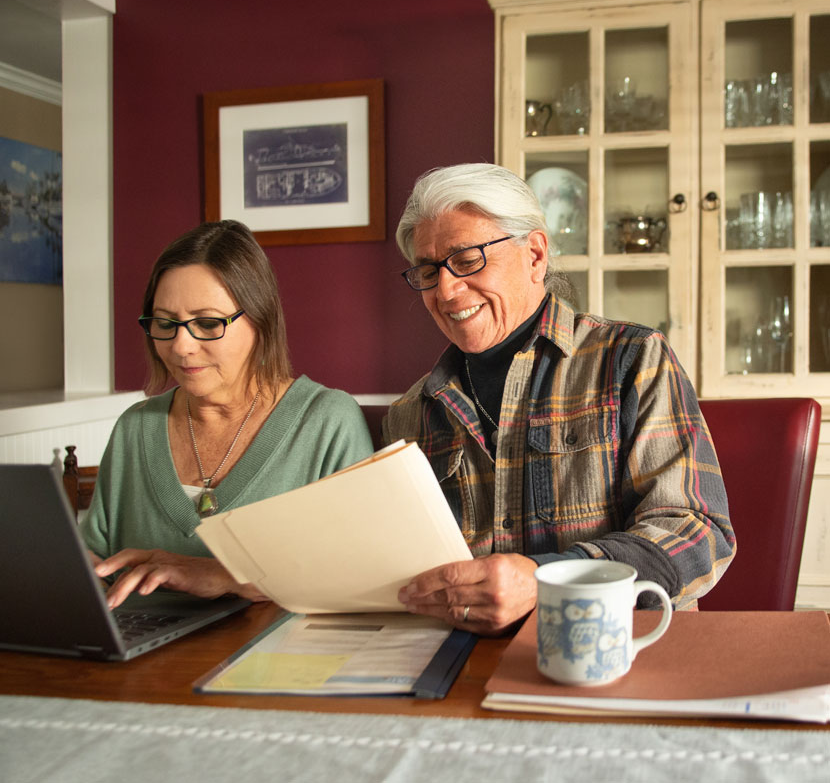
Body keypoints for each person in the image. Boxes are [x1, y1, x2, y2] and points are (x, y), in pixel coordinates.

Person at [386, 163, 736, 636]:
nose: (446, 290)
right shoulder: (411, 413)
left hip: (618, 652)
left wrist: (553, 579)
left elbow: (697, 533)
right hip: (464, 662)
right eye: (429, 270)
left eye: (466, 260)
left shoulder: (631, 359)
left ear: (534, 255)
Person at [81, 220, 374, 608]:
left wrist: (226, 576)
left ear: (260, 319)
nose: (181, 346)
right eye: (165, 324)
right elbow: (95, 563)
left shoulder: (327, 422)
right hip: (135, 665)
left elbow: (364, 575)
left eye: (206, 323)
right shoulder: (134, 428)